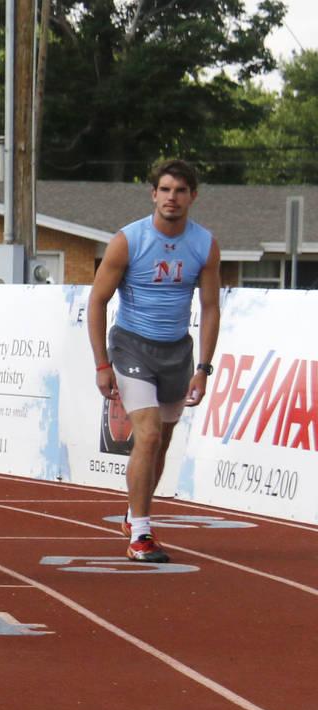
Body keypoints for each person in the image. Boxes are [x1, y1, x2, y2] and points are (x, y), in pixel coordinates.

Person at [85, 158, 219, 562]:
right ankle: (140, 534)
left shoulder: (204, 244)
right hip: (131, 347)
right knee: (148, 436)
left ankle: (133, 512)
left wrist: (203, 368)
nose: (171, 198)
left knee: (162, 441)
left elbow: (210, 307)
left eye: (180, 191)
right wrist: (102, 364)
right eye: (164, 190)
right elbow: (97, 301)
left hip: (178, 352)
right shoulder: (129, 240)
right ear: (153, 194)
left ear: (192, 196)